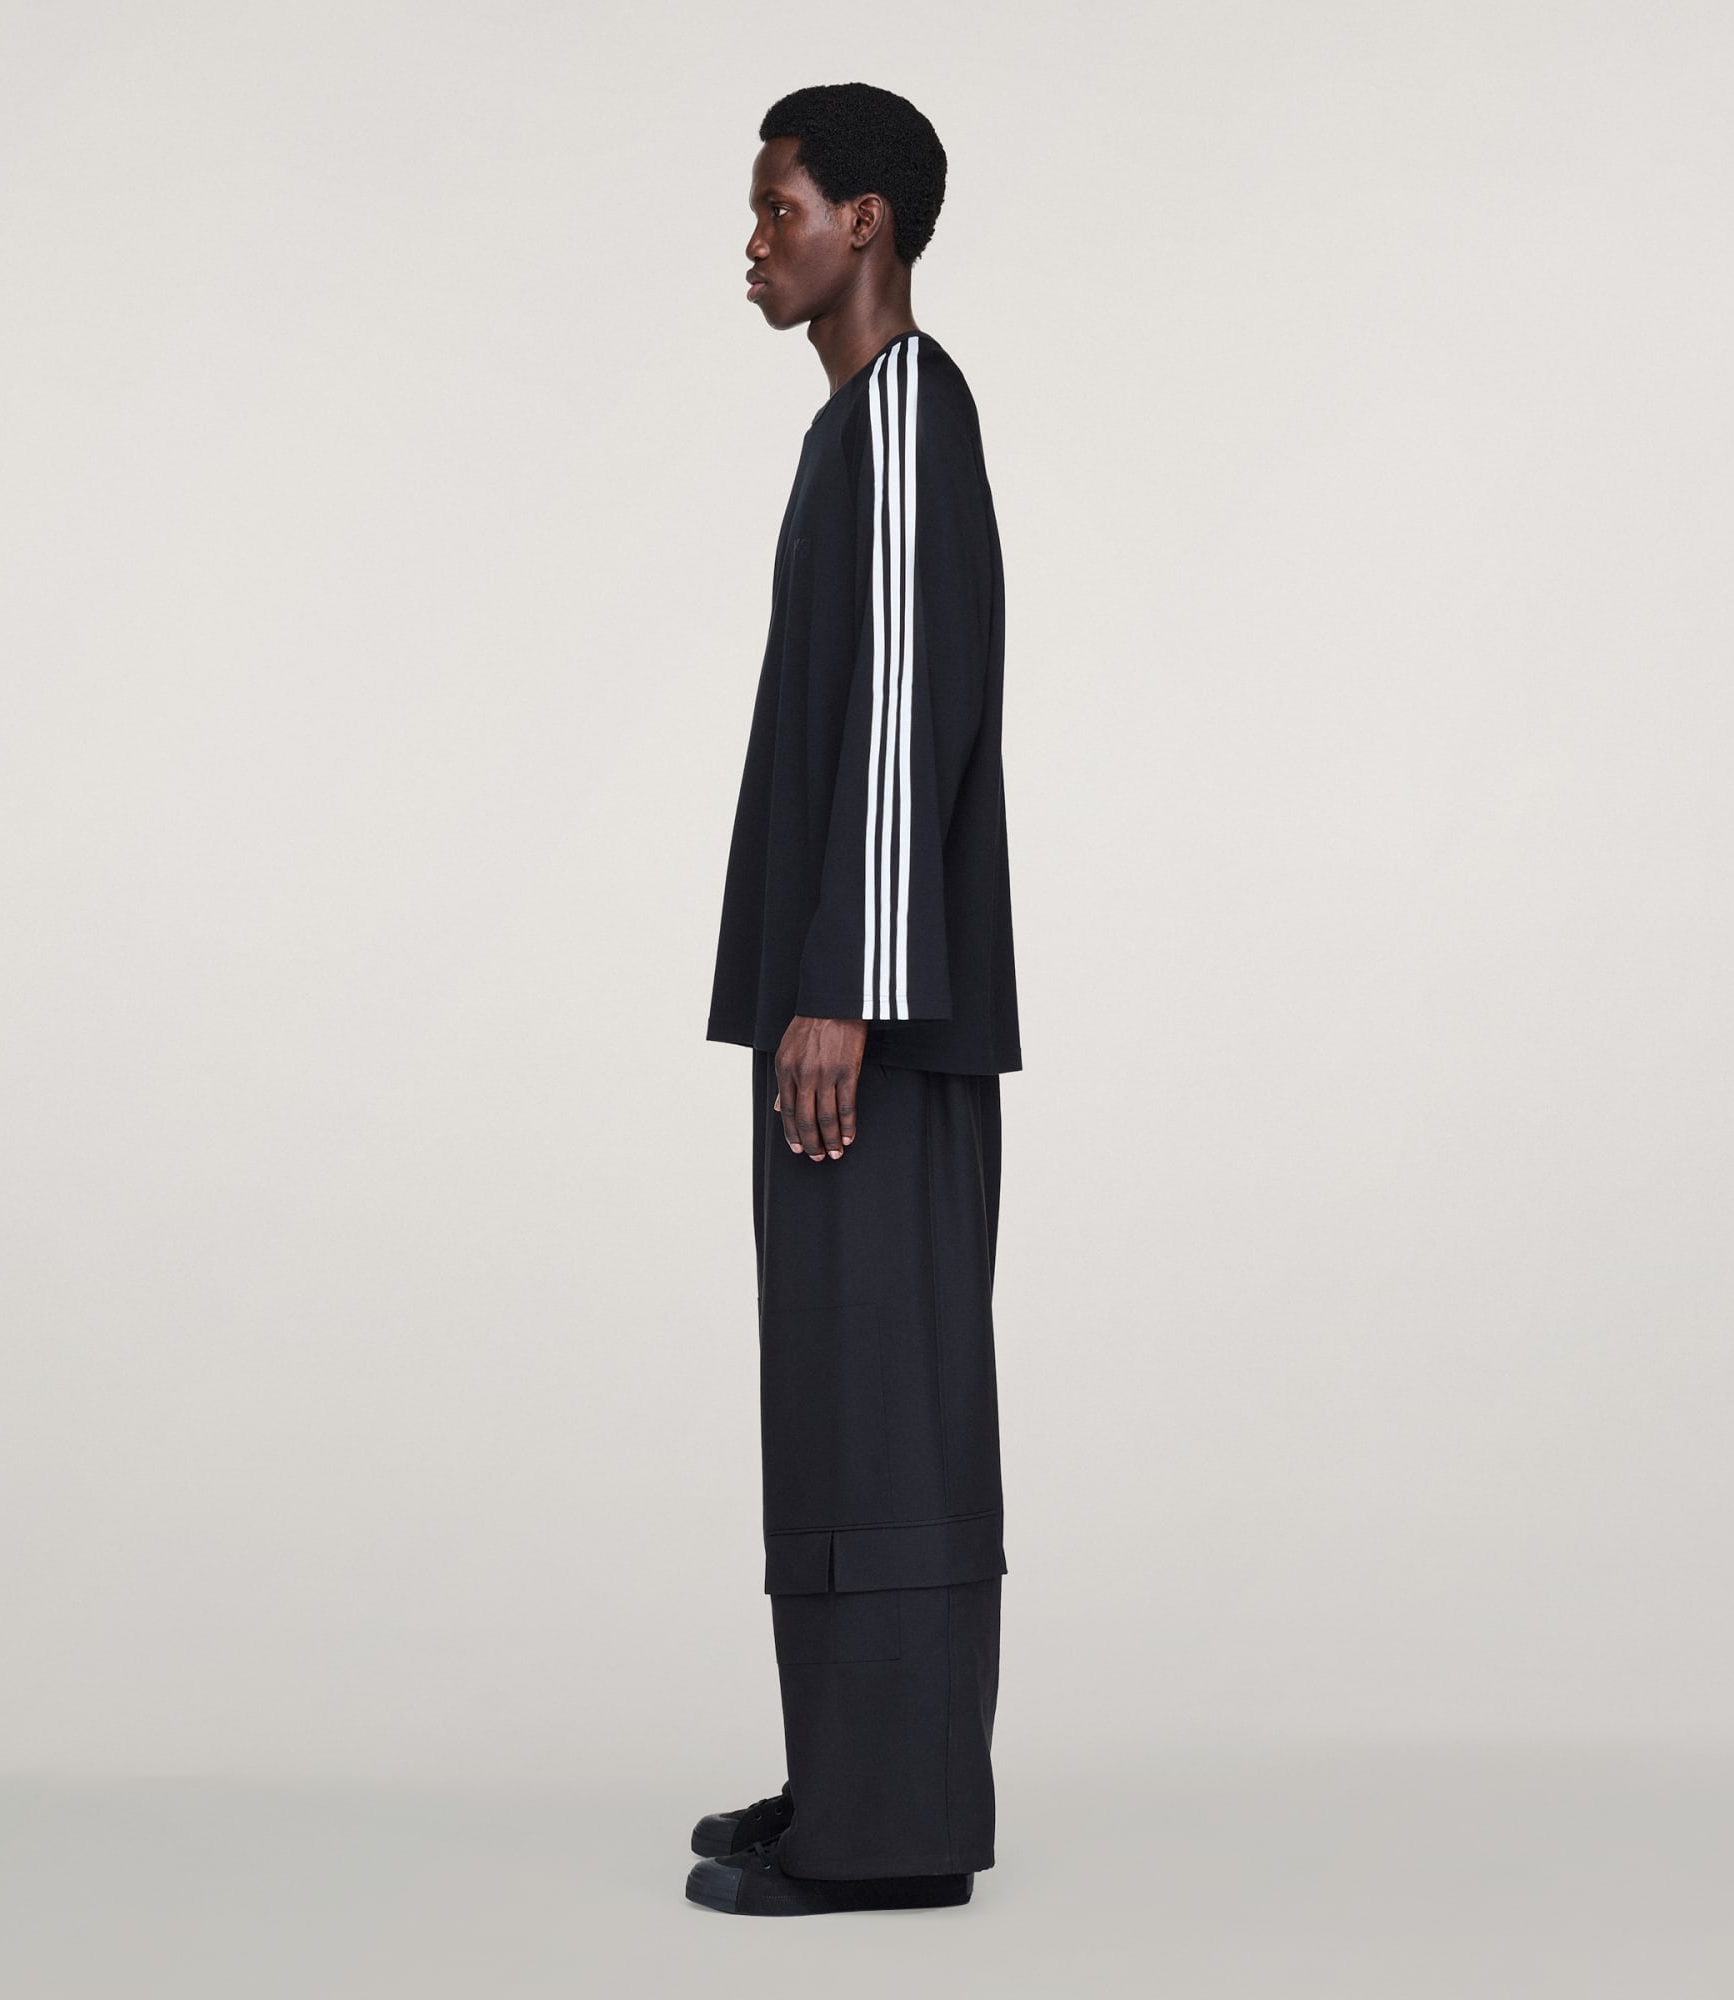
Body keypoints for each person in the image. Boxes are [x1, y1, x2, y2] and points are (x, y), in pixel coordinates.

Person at [688, 81, 1023, 1919]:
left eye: (781, 209)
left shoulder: (905, 416)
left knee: (887, 1396)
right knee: (836, 1386)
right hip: (847, 1007)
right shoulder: (859, 428)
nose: (757, 243)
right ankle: (855, 1776)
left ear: (865, 222)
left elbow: (912, 706)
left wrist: (844, 988)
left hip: (875, 1021)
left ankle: (890, 1836)